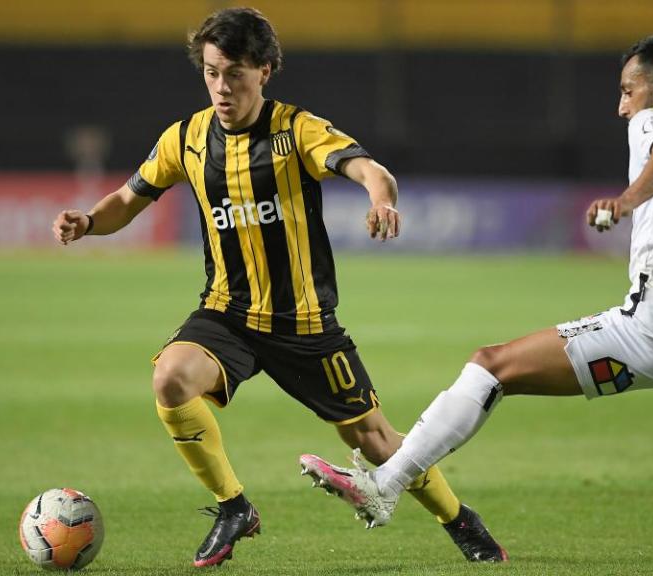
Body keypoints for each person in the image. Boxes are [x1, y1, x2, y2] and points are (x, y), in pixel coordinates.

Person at [299, 35, 653, 571]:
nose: (622, 107)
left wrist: (626, 201)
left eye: (628, 91)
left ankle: (386, 485)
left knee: (491, 366)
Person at [51, 7, 505, 568]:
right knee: (170, 377)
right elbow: (129, 198)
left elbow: (369, 168)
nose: (221, 86)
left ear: (264, 71)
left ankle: (460, 520)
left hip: (305, 322)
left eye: (235, 73)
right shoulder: (186, 139)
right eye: (213, 72)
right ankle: (233, 507)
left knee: (375, 441)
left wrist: (381, 199)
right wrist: (90, 222)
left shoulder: (296, 131)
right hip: (227, 314)